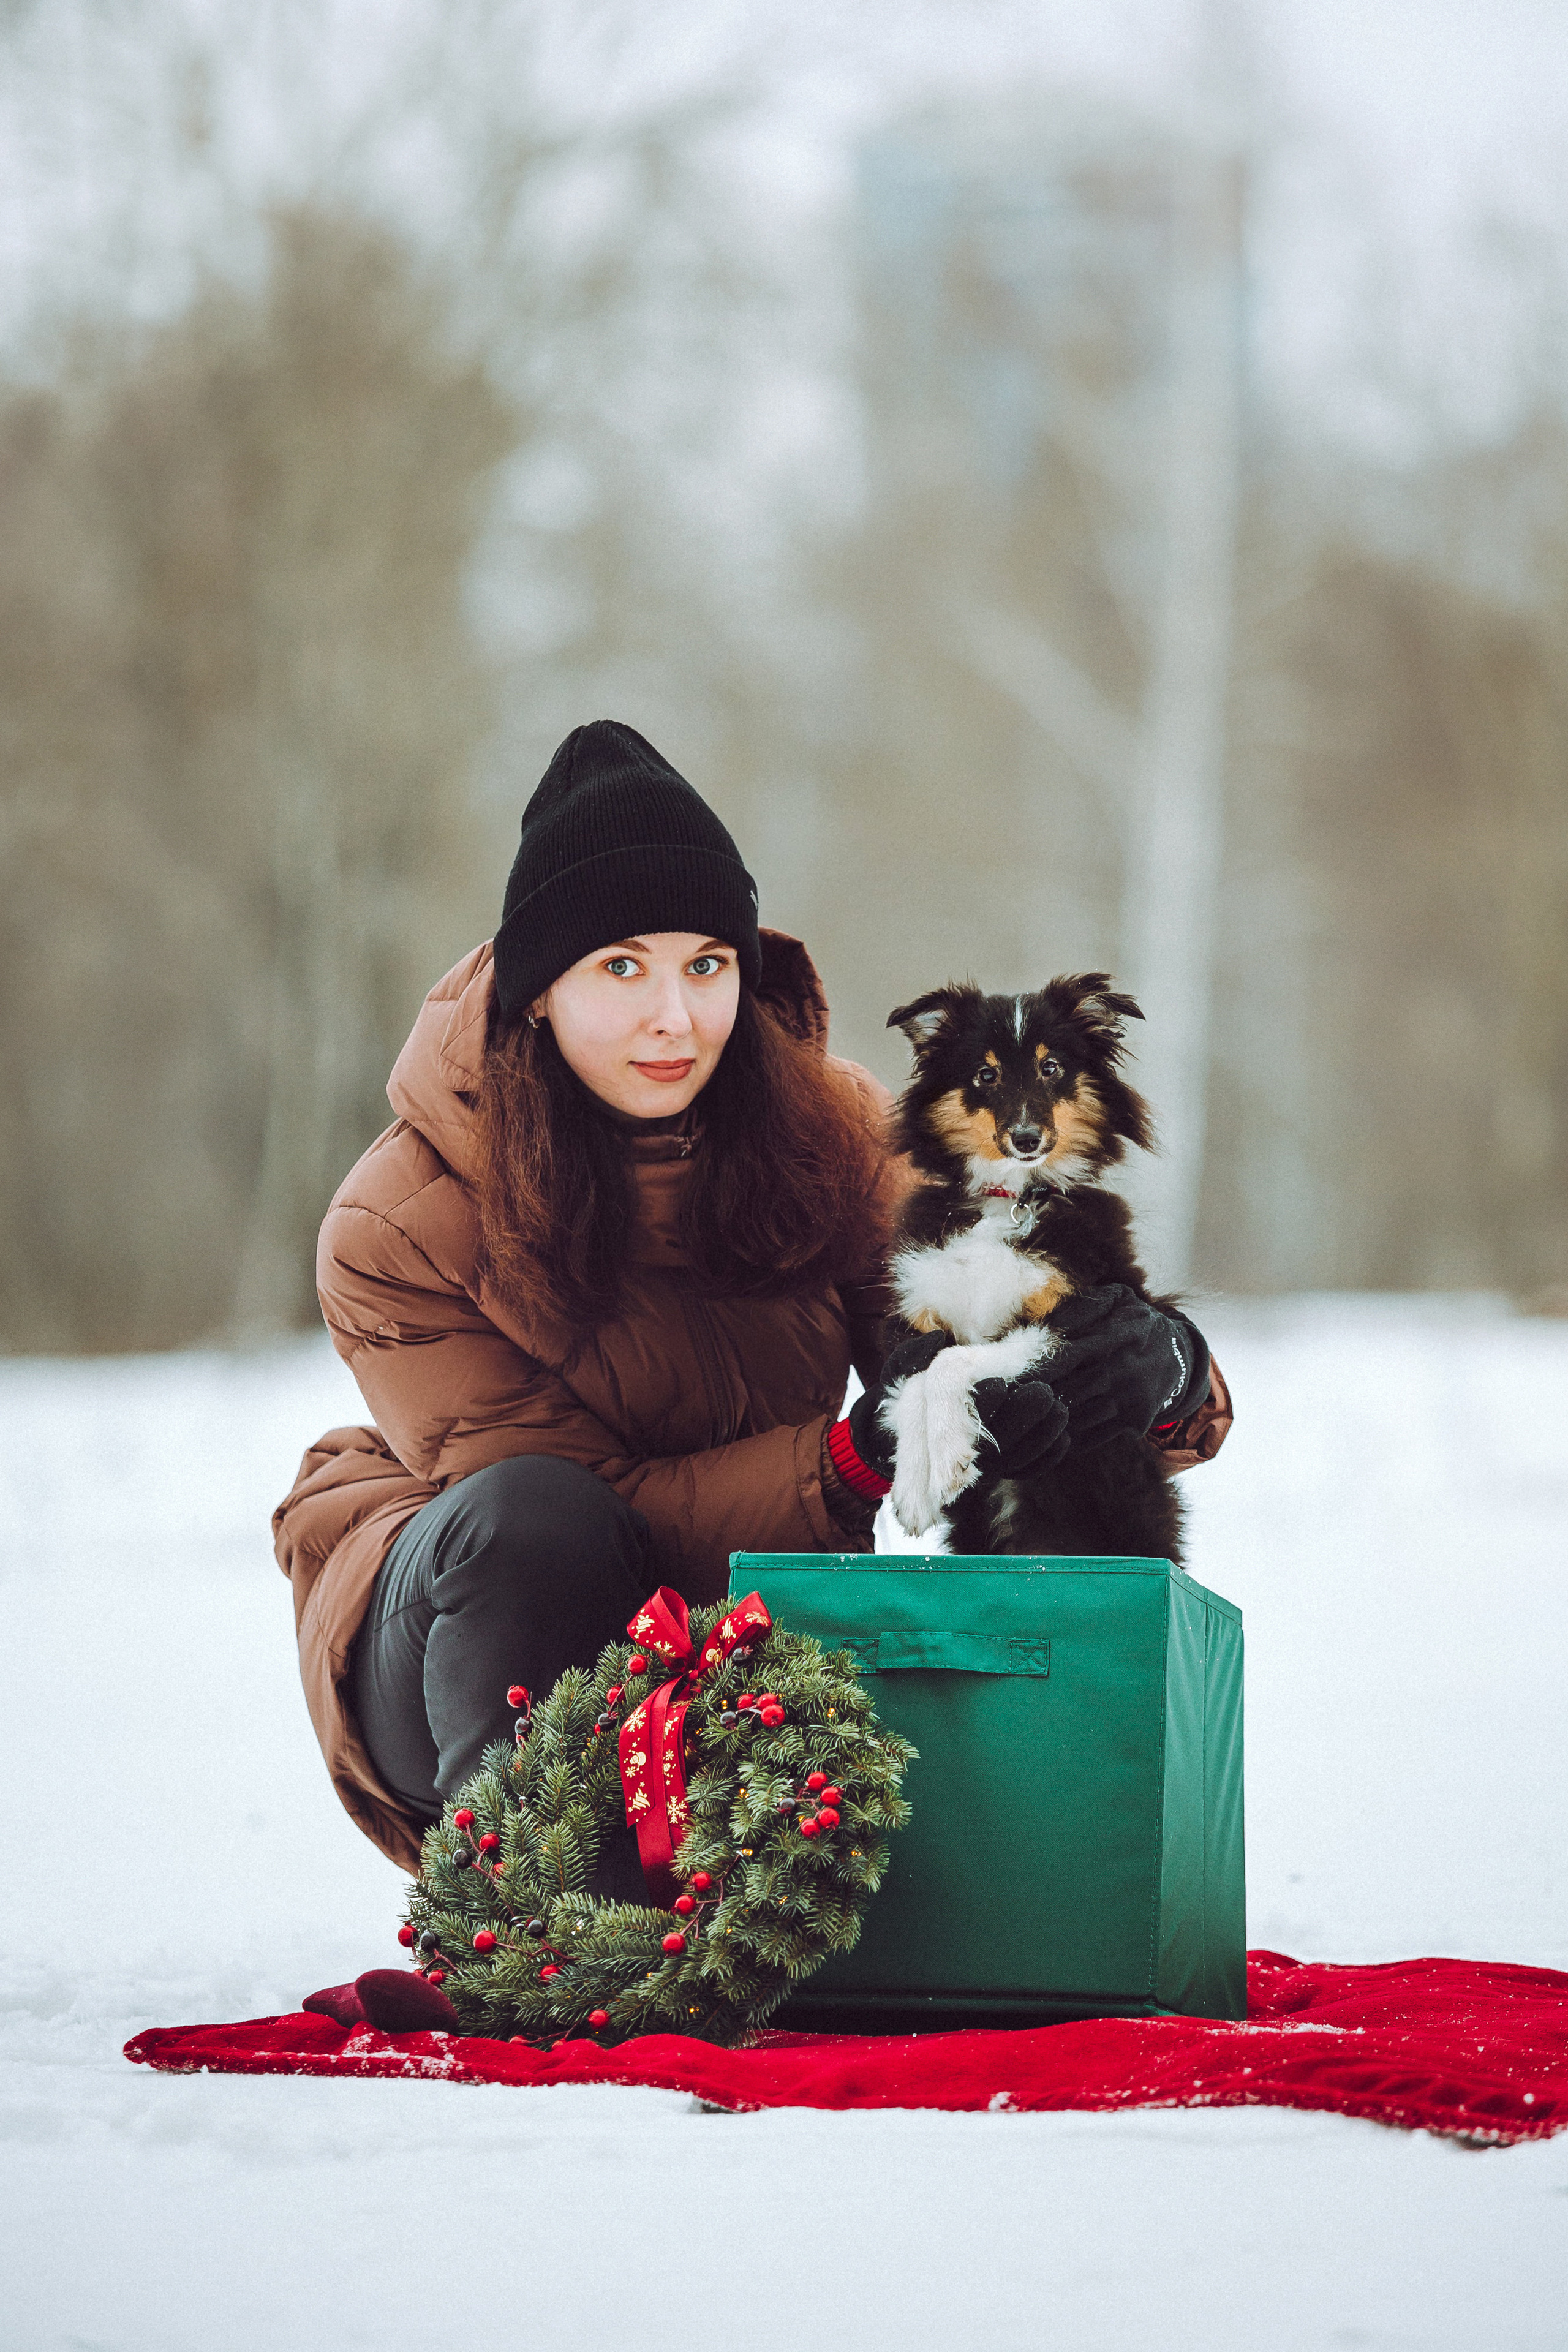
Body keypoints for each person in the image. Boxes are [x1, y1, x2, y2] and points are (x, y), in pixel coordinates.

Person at [273, 721, 1231, 1874]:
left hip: (744, 1620)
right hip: (462, 1636)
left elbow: (983, 1327)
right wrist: (853, 1461)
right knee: (538, 1521)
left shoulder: (829, 1131)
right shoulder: (401, 1219)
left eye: (707, 965)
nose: (673, 1016)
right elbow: (597, 1516)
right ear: (537, 992)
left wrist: (1152, 1368)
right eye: (621, 967)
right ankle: (530, 1906)